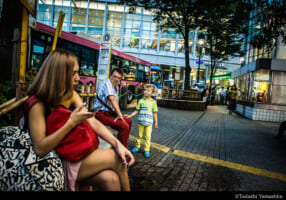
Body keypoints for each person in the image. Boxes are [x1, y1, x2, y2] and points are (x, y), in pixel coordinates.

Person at [27, 49, 135, 191]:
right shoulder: (37, 104)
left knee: (111, 179)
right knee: (118, 159)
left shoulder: (70, 94)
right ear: (59, 74)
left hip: (72, 155)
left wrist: (117, 144)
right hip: (55, 162)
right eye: (73, 73)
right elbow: (40, 149)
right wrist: (71, 123)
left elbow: (92, 121)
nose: (78, 78)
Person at [93, 68, 132, 147]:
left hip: (109, 113)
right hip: (100, 113)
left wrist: (118, 114)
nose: (116, 79)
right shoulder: (107, 83)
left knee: (129, 121)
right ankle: (121, 150)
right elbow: (112, 99)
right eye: (114, 76)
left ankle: (120, 142)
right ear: (110, 76)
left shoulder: (116, 87)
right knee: (124, 126)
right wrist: (120, 115)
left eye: (119, 78)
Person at [126, 84, 158, 158]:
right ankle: (137, 147)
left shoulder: (153, 102)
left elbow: (155, 112)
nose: (145, 92)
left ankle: (146, 150)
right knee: (139, 136)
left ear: (152, 93)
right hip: (140, 122)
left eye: (148, 90)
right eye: (145, 90)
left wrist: (156, 122)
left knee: (148, 137)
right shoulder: (140, 101)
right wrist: (129, 116)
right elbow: (136, 111)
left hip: (149, 123)